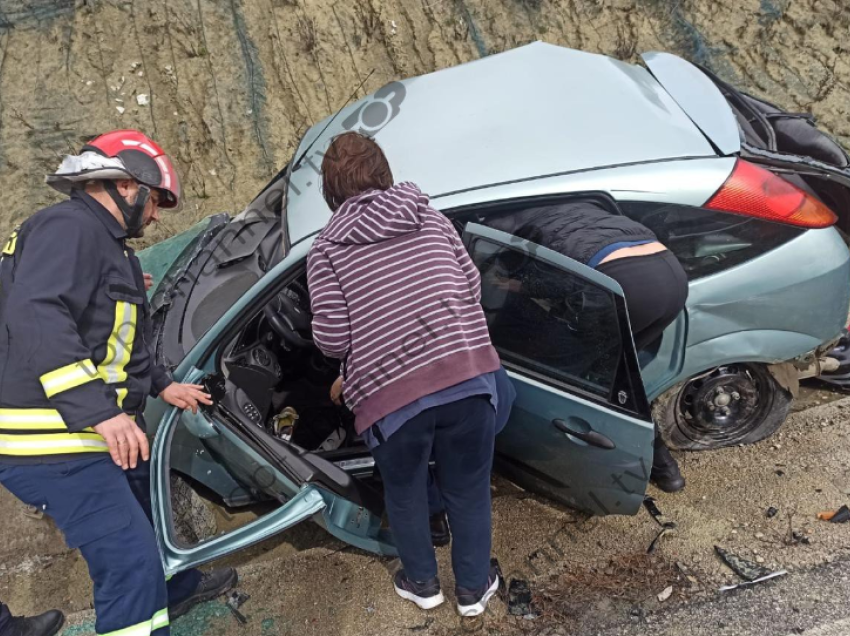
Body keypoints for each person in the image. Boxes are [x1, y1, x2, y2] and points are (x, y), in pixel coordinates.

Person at [0, 130, 237, 636]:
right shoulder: (67, 228)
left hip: (91, 430)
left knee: (146, 518)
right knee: (129, 563)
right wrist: (100, 413)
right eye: (154, 202)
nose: (155, 217)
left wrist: (160, 384)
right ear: (127, 185)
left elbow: (117, 340)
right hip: (55, 443)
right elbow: (37, 315)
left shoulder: (110, 249)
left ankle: (173, 590)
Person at [308, 132, 502, 616]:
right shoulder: (431, 218)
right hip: (465, 377)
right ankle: (474, 591)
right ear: (383, 172)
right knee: (469, 487)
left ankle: (422, 584)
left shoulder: (326, 251)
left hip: (392, 398)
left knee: (405, 490)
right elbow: (472, 286)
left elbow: (332, 339)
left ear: (331, 191)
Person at [486, 200, 688, 493]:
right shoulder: (574, 203)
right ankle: (665, 469)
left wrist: (513, 286)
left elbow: (557, 281)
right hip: (671, 277)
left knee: (565, 379)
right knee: (619, 371)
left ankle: (549, 457)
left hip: (623, 285)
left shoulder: (517, 231)